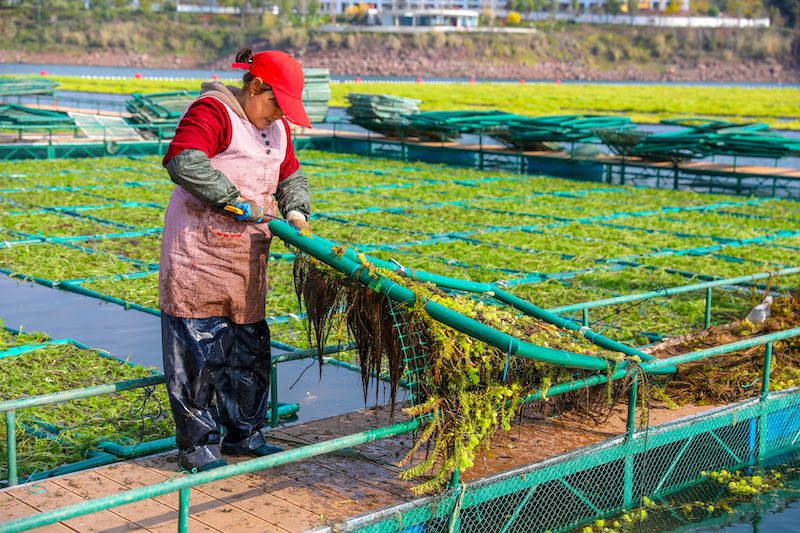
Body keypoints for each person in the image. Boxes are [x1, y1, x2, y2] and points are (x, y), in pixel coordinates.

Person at [159, 47, 312, 472]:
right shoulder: (214, 112)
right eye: (273, 105)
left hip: (247, 257)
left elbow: (290, 173)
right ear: (255, 86)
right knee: (199, 353)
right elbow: (183, 160)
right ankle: (200, 448)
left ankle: (244, 436)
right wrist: (231, 199)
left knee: (248, 350)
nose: (277, 116)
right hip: (199, 252)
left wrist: (296, 209)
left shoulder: (279, 129)